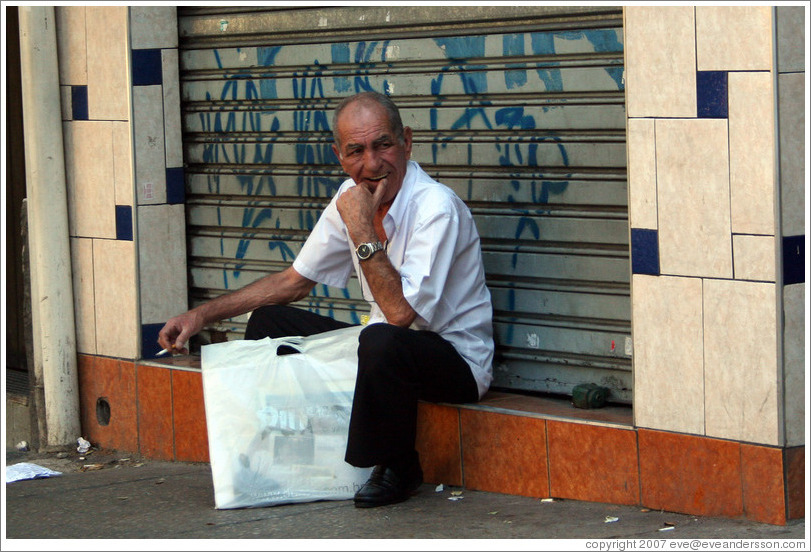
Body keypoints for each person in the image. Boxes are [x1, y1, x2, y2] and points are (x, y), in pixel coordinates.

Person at [158, 91, 494, 508]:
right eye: (357, 151)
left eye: (383, 145)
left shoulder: (435, 208)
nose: (371, 164)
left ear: (406, 142)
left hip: (455, 361)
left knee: (382, 339)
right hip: (384, 350)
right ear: (340, 155)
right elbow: (293, 282)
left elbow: (400, 314)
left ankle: (398, 465)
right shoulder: (350, 200)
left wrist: (363, 231)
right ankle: (279, 449)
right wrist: (201, 315)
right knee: (269, 322)